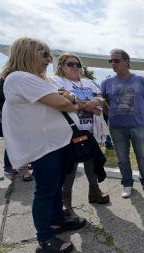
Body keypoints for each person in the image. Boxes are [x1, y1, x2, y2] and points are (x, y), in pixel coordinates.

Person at [2, 37, 87, 253]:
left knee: (55, 186)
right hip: (43, 146)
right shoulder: (20, 77)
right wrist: (69, 98)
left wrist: (68, 97)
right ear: (27, 53)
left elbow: (64, 98)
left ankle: (57, 221)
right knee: (46, 190)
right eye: (44, 54)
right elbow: (64, 104)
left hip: (52, 143)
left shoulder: (32, 79)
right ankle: (45, 239)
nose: (49, 60)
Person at [51, 53, 110, 216]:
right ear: (61, 66)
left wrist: (91, 103)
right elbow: (62, 98)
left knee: (93, 164)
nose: (76, 67)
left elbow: (100, 98)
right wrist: (87, 106)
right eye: (71, 64)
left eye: (78, 65)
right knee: (70, 167)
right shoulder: (57, 81)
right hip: (70, 131)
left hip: (91, 131)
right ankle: (66, 202)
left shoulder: (88, 82)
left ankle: (94, 192)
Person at [101, 49, 144, 198]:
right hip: (117, 127)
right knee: (122, 158)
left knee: (142, 156)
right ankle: (127, 184)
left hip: (137, 125)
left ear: (127, 62)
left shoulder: (141, 80)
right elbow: (101, 101)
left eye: (116, 60)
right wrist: (110, 113)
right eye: (111, 61)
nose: (113, 63)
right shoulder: (106, 82)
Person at [0, 79, 33, 180]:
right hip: (7, 121)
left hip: (14, 120)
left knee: (16, 143)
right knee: (12, 143)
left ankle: (16, 165)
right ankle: (9, 166)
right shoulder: (2, 92)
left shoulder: (6, 91)